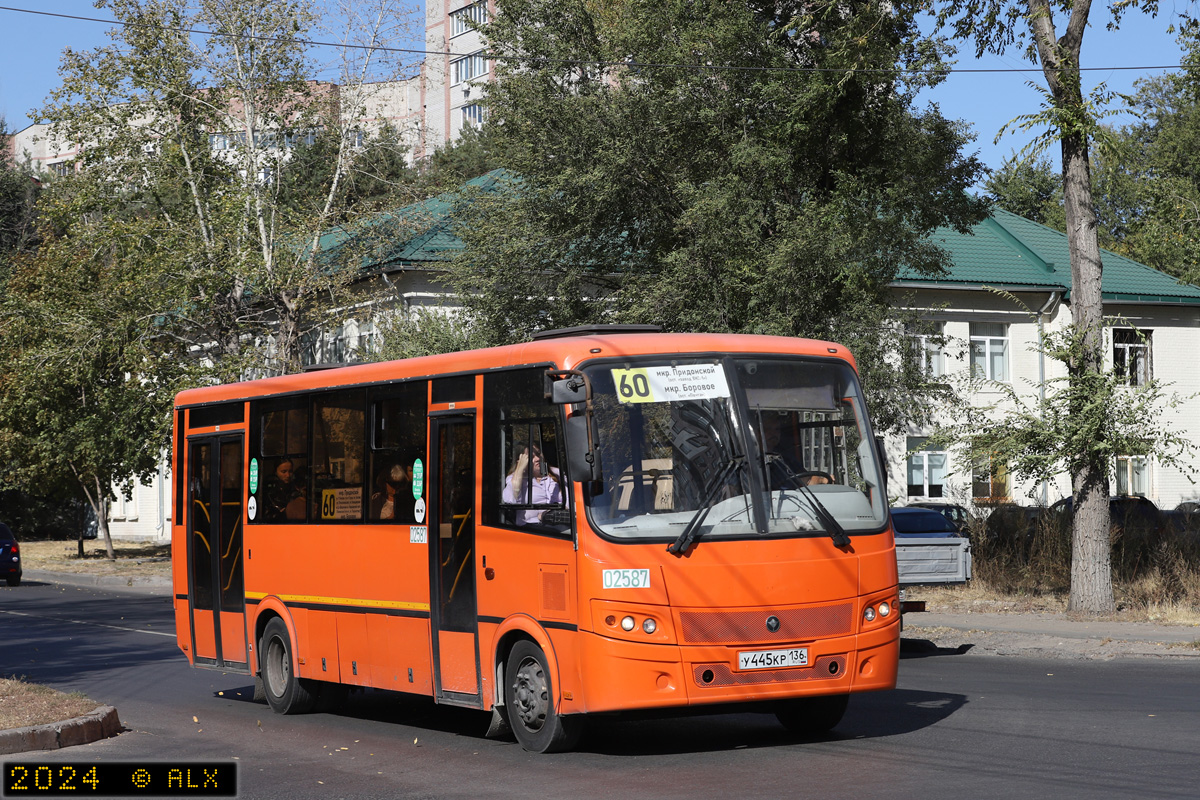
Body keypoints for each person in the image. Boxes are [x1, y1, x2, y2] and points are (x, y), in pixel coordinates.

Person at [502, 444, 564, 526]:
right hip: (531, 526)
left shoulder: (556, 474)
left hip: (559, 522)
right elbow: (510, 499)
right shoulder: (517, 478)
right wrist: (520, 468)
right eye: (531, 457)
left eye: (539, 454)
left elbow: (571, 498)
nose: (537, 459)